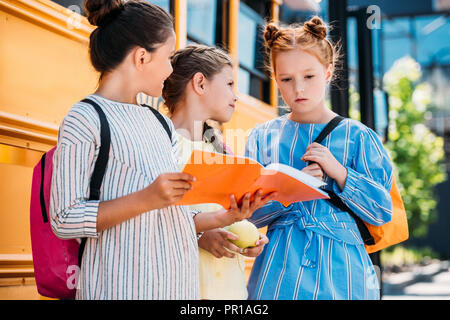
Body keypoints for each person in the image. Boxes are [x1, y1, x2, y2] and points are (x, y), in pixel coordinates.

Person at [49, 0, 259, 300]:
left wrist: (227, 217)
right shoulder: (86, 117)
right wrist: (146, 198)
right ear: (142, 57)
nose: (172, 69)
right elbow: (64, 217)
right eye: (169, 57)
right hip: (119, 288)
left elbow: (177, 215)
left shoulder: (158, 122)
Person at [244, 16, 394, 300]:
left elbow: (381, 211)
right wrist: (288, 190)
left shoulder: (358, 136)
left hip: (345, 272)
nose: (298, 89)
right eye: (286, 79)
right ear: (275, 79)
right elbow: (247, 215)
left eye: (309, 76)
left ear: (327, 72)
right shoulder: (262, 137)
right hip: (279, 269)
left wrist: (340, 173)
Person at [162, 44, 275, 299]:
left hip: (230, 291)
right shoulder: (162, 144)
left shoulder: (221, 148)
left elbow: (225, 212)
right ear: (200, 83)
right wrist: (200, 236)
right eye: (229, 85)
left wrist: (248, 237)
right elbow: (151, 217)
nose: (236, 96)